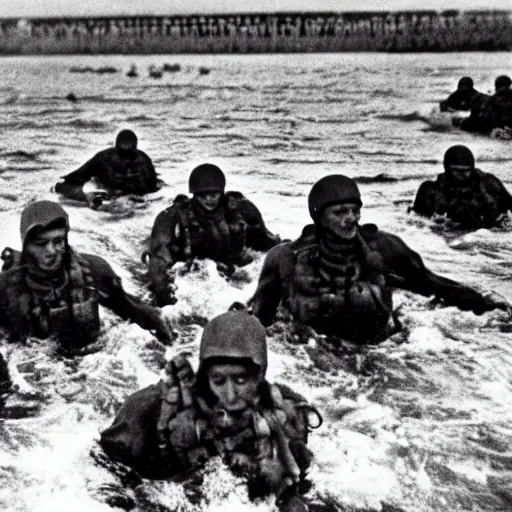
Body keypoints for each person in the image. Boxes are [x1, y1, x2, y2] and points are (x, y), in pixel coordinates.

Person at [248, 174, 510, 345]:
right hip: (317, 351)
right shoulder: (285, 258)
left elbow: (432, 284)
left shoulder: (385, 248)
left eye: (355, 210)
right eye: (340, 212)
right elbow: (260, 317)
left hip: (380, 348)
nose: (350, 218)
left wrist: (482, 303)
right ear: (318, 218)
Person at [99, 311, 320, 512]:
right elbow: (101, 486)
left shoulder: (284, 412)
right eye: (218, 379)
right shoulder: (145, 413)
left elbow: (295, 487)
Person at [0, 201, 173, 349]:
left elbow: (136, 312)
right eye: (41, 243)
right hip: (34, 372)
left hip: (94, 363)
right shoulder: (5, 288)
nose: (51, 251)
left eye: (58, 241)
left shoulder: (94, 270)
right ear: (26, 245)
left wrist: (173, 346)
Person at [147, 163, 281, 307]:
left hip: (235, 270)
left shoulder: (241, 209)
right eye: (202, 195)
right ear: (194, 194)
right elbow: (159, 259)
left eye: (213, 194)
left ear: (222, 192)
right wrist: (164, 296)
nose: (209, 199)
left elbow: (266, 241)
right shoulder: (173, 216)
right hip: (194, 277)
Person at [55, 129, 161, 209]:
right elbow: (75, 178)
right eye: (123, 155)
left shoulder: (143, 160)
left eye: (129, 156)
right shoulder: (104, 157)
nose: (126, 163)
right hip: (118, 200)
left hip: (130, 201)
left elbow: (153, 185)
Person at [412, 145, 512, 228]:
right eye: (456, 171)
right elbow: (417, 221)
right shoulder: (431, 190)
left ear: (472, 168)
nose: (462, 176)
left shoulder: (489, 183)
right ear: (446, 168)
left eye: (466, 171)